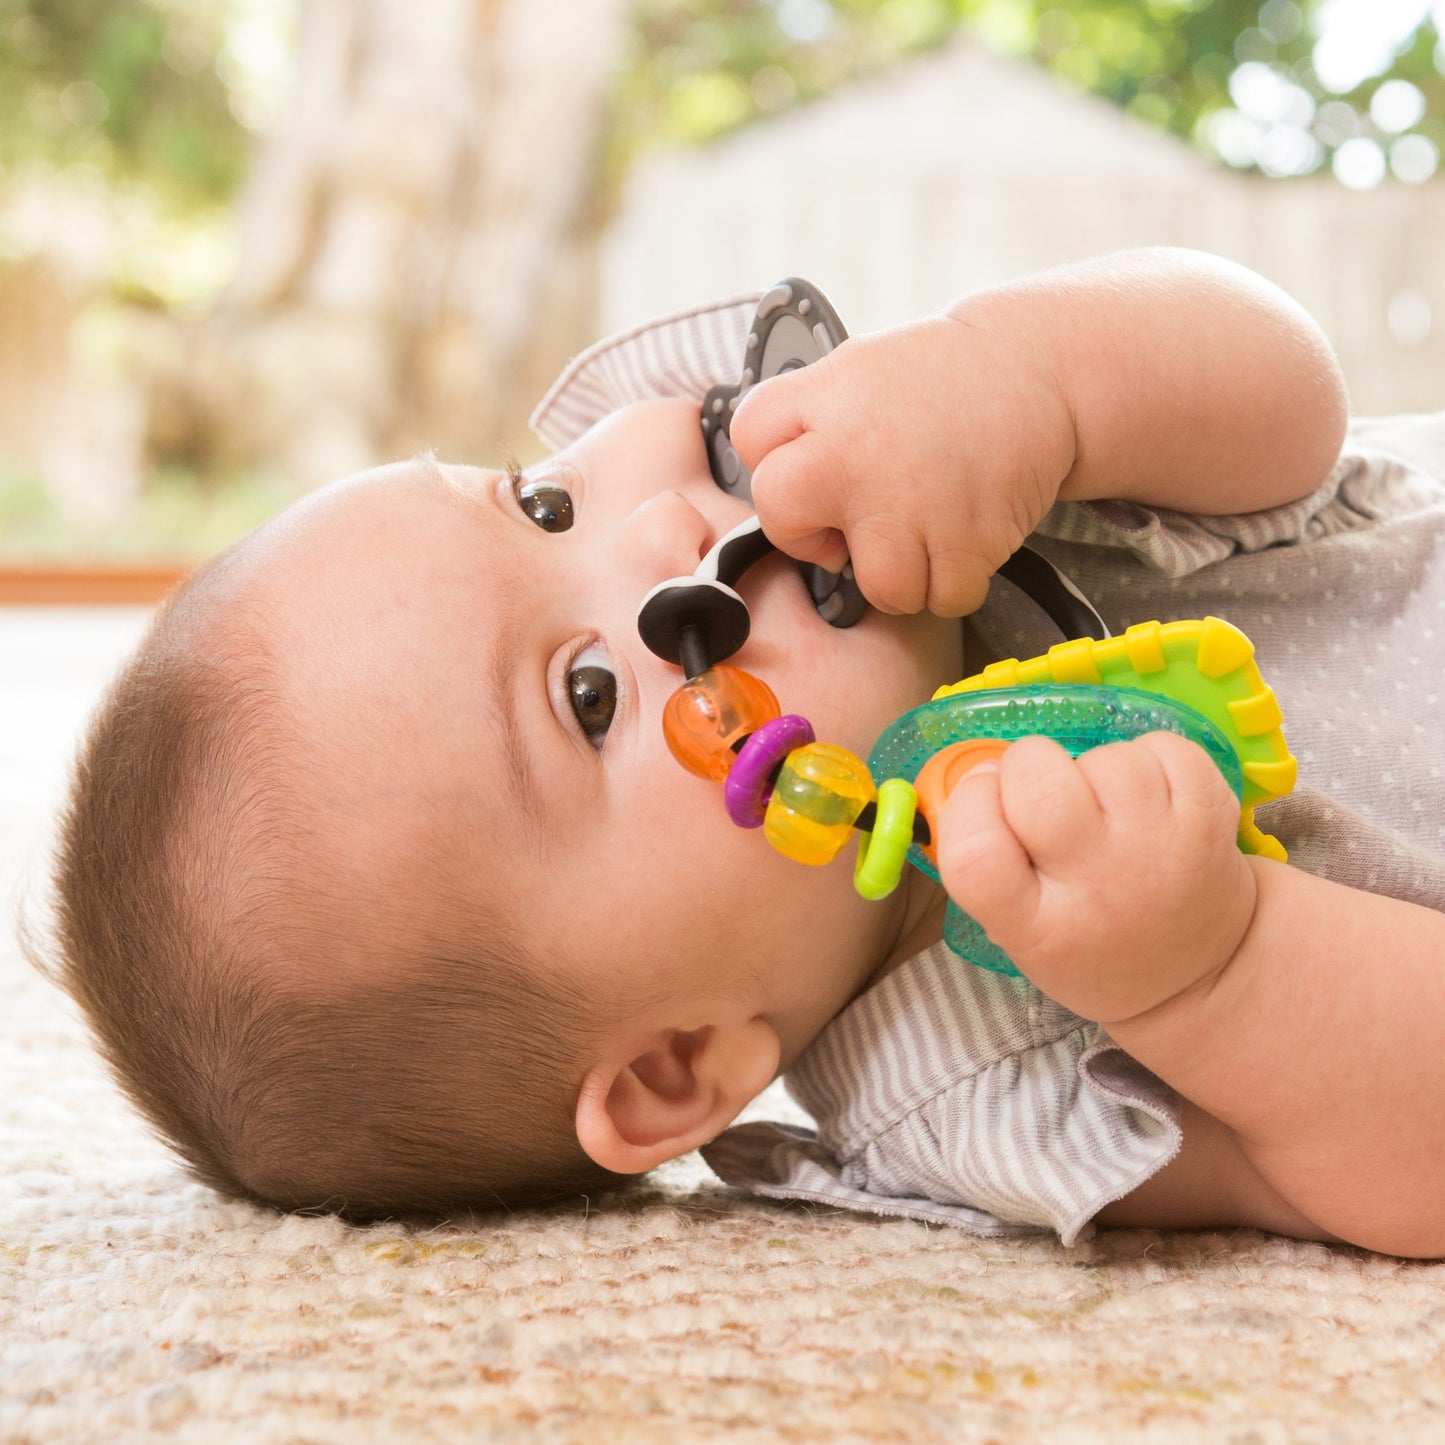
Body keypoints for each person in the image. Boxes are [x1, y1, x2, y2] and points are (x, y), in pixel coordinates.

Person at [22, 248, 1445, 1255]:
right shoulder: (967, 1091)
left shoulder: (913, 462)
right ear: (675, 1067)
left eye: (537, 508)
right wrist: (1215, 967)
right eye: (588, 695)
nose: (652, 531)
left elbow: (1285, 395)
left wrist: (1024, 374)